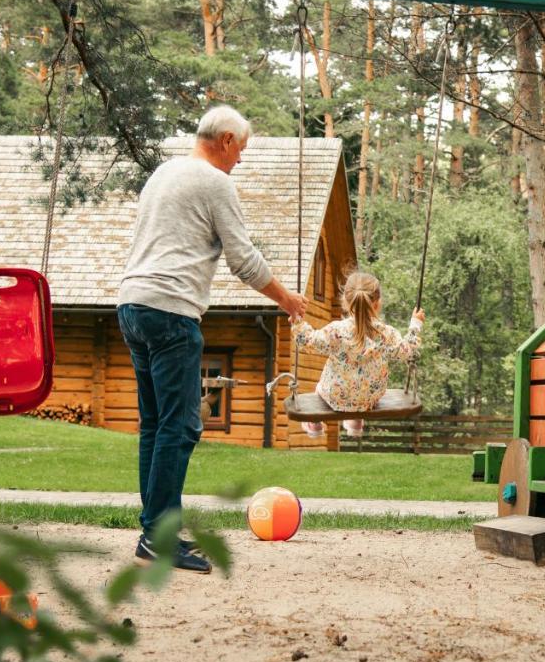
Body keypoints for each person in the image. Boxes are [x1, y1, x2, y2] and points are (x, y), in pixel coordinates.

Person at [117, 105, 307, 573]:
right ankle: (159, 537)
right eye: (240, 150)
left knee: (155, 425)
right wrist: (287, 299)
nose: (240, 160)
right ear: (224, 140)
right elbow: (243, 259)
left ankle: (152, 534)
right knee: (180, 427)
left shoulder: (164, 173)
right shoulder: (214, 182)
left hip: (132, 304)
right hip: (170, 312)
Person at [291, 270, 424, 439]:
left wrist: (297, 321)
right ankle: (355, 422)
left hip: (335, 397)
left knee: (321, 387)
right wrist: (415, 324)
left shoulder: (336, 331)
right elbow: (407, 351)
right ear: (377, 304)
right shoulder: (386, 334)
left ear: (346, 302)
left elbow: (307, 341)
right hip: (369, 399)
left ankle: (315, 424)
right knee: (361, 384)